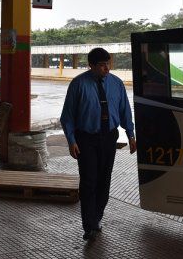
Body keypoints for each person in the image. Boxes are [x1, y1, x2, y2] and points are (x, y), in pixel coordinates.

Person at [59, 47, 137, 241]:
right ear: (91, 66)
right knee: (88, 181)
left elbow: (125, 110)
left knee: (104, 181)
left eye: (108, 64)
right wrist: (71, 140)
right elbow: (67, 116)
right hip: (86, 139)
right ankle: (89, 225)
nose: (107, 69)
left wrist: (131, 134)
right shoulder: (78, 85)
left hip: (109, 137)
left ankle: (96, 217)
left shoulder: (116, 84)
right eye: (102, 65)